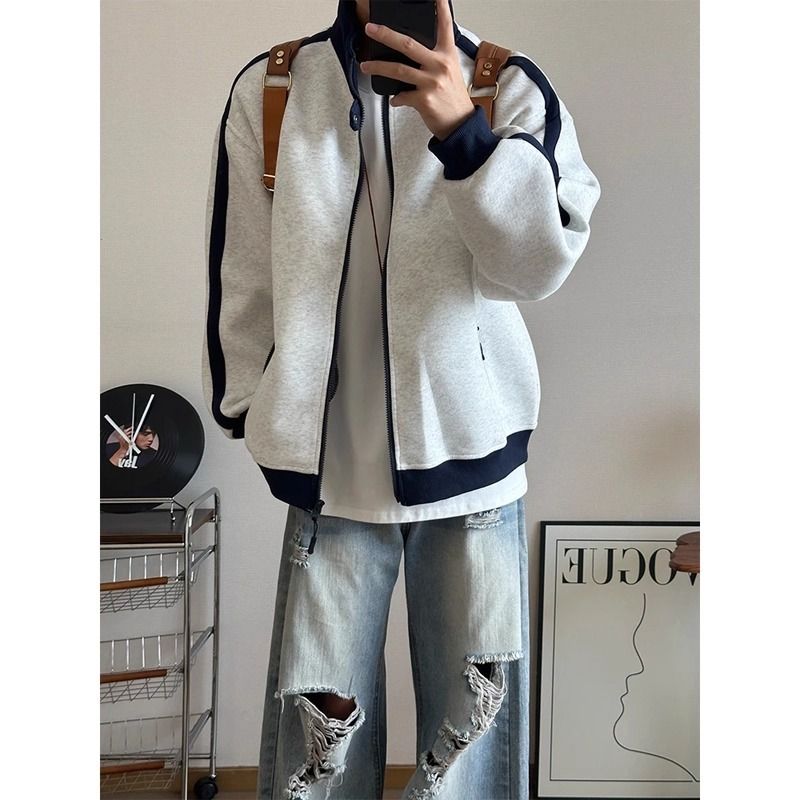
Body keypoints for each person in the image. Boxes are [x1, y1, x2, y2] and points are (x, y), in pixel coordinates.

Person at [201, 1, 601, 797]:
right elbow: (240, 268)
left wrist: (464, 135)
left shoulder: (508, 87)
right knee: (316, 764)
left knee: (470, 754)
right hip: (330, 482)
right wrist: (253, 405)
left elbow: (536, 267)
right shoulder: (275, 89)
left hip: (473, 476)